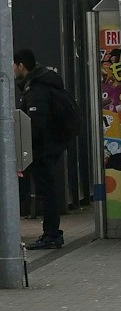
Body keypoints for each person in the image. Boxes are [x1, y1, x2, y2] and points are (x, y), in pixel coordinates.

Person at [13, 49, 70, 249]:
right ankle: (52, 233)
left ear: (21, 66)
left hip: (43, 148)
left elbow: (36, 122)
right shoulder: (39, 83)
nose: (12, 69)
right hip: (49, 145)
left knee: (47, 191)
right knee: (47, 190)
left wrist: (26, 142)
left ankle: (52, 235)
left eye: (13, 65)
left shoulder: (36, 88)